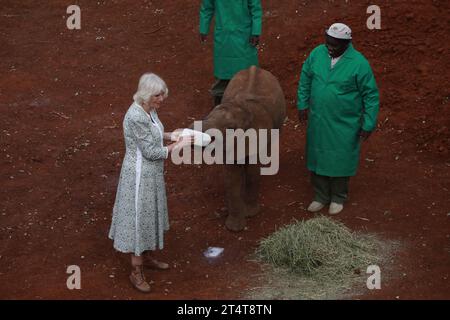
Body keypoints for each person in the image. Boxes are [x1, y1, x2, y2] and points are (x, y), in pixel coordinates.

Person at [108, 73, 194, 293]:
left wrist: (172, 135)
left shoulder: (149, 110)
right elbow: (151, 152)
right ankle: (136, 272)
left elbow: (154, 135)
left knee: (147, 215)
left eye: (162, 94)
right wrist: (180, 145)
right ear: (146, 95)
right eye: (158, 95)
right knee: (139, 219)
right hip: (139, 177)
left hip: (150, 175)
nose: (161, 99)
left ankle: (145, 257)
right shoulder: (135, 116)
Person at [297, 23, 380, 215]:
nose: (330, 47)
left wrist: (368, 123)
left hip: (344, 122)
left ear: (347, 43)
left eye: (335, 44)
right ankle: (320, 196)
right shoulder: (317, 53)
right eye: (328, 43)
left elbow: (371, 95)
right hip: (318, 118)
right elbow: (306, 77)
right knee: (317, 155)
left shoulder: (359, 63)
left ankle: (338, 197)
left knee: (340, 158)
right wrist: (302, 103)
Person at [199, 0, 262, 106]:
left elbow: (255, 8)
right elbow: (207, 7)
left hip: (243, 36)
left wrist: (256, 31)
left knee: (245, 72)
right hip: (226, 35)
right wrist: (203, 28)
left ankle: (248, 99)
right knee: (224, 71)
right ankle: (220, 102)